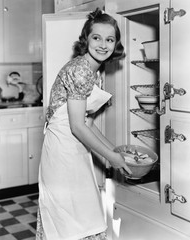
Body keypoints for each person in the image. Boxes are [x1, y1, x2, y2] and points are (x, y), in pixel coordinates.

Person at [36, 8, 132, 240]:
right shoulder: (80, 70)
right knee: (70, 217)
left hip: (74, 145)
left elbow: (86, 122)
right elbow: (77, 126)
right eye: (96, 37)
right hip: (63, 149)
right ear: (85, 39)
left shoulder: (93, 70)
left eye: (109, 39)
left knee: (80, 213)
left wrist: (115, 150)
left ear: (116, 44)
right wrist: (110, 157)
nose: (103, 44)